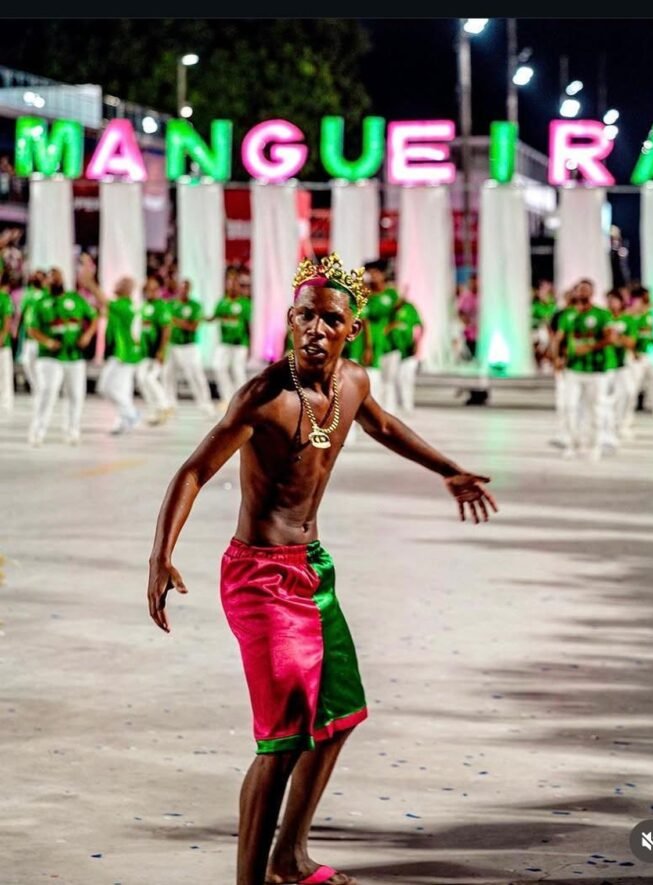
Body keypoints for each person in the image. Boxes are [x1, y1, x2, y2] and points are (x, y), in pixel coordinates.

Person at [146, 252, 498, 885]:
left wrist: (447, 469)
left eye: (330, 319)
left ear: (352, 329)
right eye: (305, 315)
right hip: (258, 577)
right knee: (283, 739)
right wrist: (160, 555)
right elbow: (194, 470)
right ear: (290, 319)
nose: (315, 328)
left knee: (337, 718)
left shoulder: (353, 383)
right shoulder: (264, 397)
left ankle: (288, 858)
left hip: (313, 570)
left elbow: (384, 425)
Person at [27, 267, 98, 446]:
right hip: (49, 357)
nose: (56, 279)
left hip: (74, 355)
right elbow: (31, 328)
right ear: (47, 282)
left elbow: (93, 317)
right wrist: (47, 342)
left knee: (76, 395)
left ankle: (72, 431)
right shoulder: (40, 302)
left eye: (58, 276)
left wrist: (87, 335)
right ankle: (38, 432)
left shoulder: (76, 299)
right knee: (47, 392)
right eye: (52, 277)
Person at [556, 279, 611, 460]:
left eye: (587, 289)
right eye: (580, 289)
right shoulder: (568, 315)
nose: (583, 293)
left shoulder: (602, 314)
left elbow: (609, 338)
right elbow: (559, 338)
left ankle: (594, 446)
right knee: (570, 407)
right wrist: (558, 358)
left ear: (592, 293)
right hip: (573, 369)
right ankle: (572, 444)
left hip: (596, 370)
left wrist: (590, 347)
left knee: (596, 409)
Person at [163, 279, 216, 417]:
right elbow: (166, 324)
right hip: (172, 345)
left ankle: (205, 405)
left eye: (186, 288)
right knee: (168, 375)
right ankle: (170, 404)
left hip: (189, 346)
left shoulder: (195, 306)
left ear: (189, 290)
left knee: (196, 375)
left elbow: (193, 326)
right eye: (181, 288)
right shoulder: (170, 304)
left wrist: (176, 321)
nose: (183, 291)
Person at [101, 277, 142, 434]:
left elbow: (104, 301)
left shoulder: (125, 306)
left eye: (120, 283)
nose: (115, 284)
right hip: (119, 352)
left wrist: (90, 283)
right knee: (122, 390)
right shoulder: (122, 305)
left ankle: (131, 413)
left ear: (127, 289)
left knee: (106, 387)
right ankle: (124, 421)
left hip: (125, 354)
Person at [626, 285, 653, 426]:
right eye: (646, 296)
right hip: (634, 356)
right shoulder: (632, 314)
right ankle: (626, 415)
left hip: (647, 355)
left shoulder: (651, 315)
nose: (648, 298)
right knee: (632, 386)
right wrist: (633, 352)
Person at [211, 267, 252, 409]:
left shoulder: (245, 303)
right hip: (224, 342)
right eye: (230, 281)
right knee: (218, 366)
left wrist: (250, 345)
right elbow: (214, 317)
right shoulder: (222, 303)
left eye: (235, 282)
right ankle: (227, 398)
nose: (232, 285)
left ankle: (242, 401)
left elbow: (248, 325)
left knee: (238, 371)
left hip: (240, 343)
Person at [362, 259, 400, 409]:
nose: (372, 276)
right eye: (370, 273)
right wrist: (368, 345)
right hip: (371, 343)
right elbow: (364, 320)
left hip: (389, 345)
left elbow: (398, 316)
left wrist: (390, 329)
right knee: (373, 379)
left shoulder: (392, 294)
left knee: (389, 381)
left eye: (375, 272)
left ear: (384, 274)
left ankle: (389, 413)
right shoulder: (366, 296)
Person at [136, 276, 172, 426]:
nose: (150, 291)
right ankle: (154, 409)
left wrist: (162, 350)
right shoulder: (144, 306)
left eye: (154, 289)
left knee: (151, 378)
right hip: (145, 351)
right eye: (148, 289)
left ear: (158, 290)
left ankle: (165, 405)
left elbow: (166, 329)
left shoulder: (161, 306)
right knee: (141, 379)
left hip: (157, 350)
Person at [603, 288, 637, 444]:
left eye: (614, 300)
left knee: (629, 392)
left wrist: (617, 337)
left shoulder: (628, 320)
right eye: (609, 300)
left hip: (622, 364)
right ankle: (607, 427)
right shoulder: (603, 318)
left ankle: (622, 424)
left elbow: (631, 343)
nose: (611, 303)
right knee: (606, 398)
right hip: (605, 364)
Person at [548, 287, 577, 449]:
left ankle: (576, 433)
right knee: (563, 400)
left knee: (576, 402)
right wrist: (556, 359)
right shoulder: (560, 315)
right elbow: (554, 338)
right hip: (564, 363)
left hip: (580, 364)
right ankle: (564, 432)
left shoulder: (584, 315)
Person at [386, 294, 423, 413]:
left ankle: (407, 405)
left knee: (407, 378)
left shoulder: (410, 308)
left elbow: (420, 326)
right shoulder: (389, 308)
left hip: (409, 350)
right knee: (393, 379)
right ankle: (394, 405)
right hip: (393, 349)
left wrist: (417, 343)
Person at [17, 271, 47, 392]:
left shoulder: (47, 294)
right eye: (35, 276)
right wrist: (17, 329)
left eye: (40, 277)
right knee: (27, 362)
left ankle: (43, 388)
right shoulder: (28, 294)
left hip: (42, 335)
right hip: (29, 334)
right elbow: (21, 313)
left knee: (41, 363)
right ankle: (36, 387)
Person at [0, 271, 14, 412]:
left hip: (2, 345)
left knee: (4, 374)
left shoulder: (4, 298)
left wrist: (3, 336)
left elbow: (8, 319)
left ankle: (6, 403)